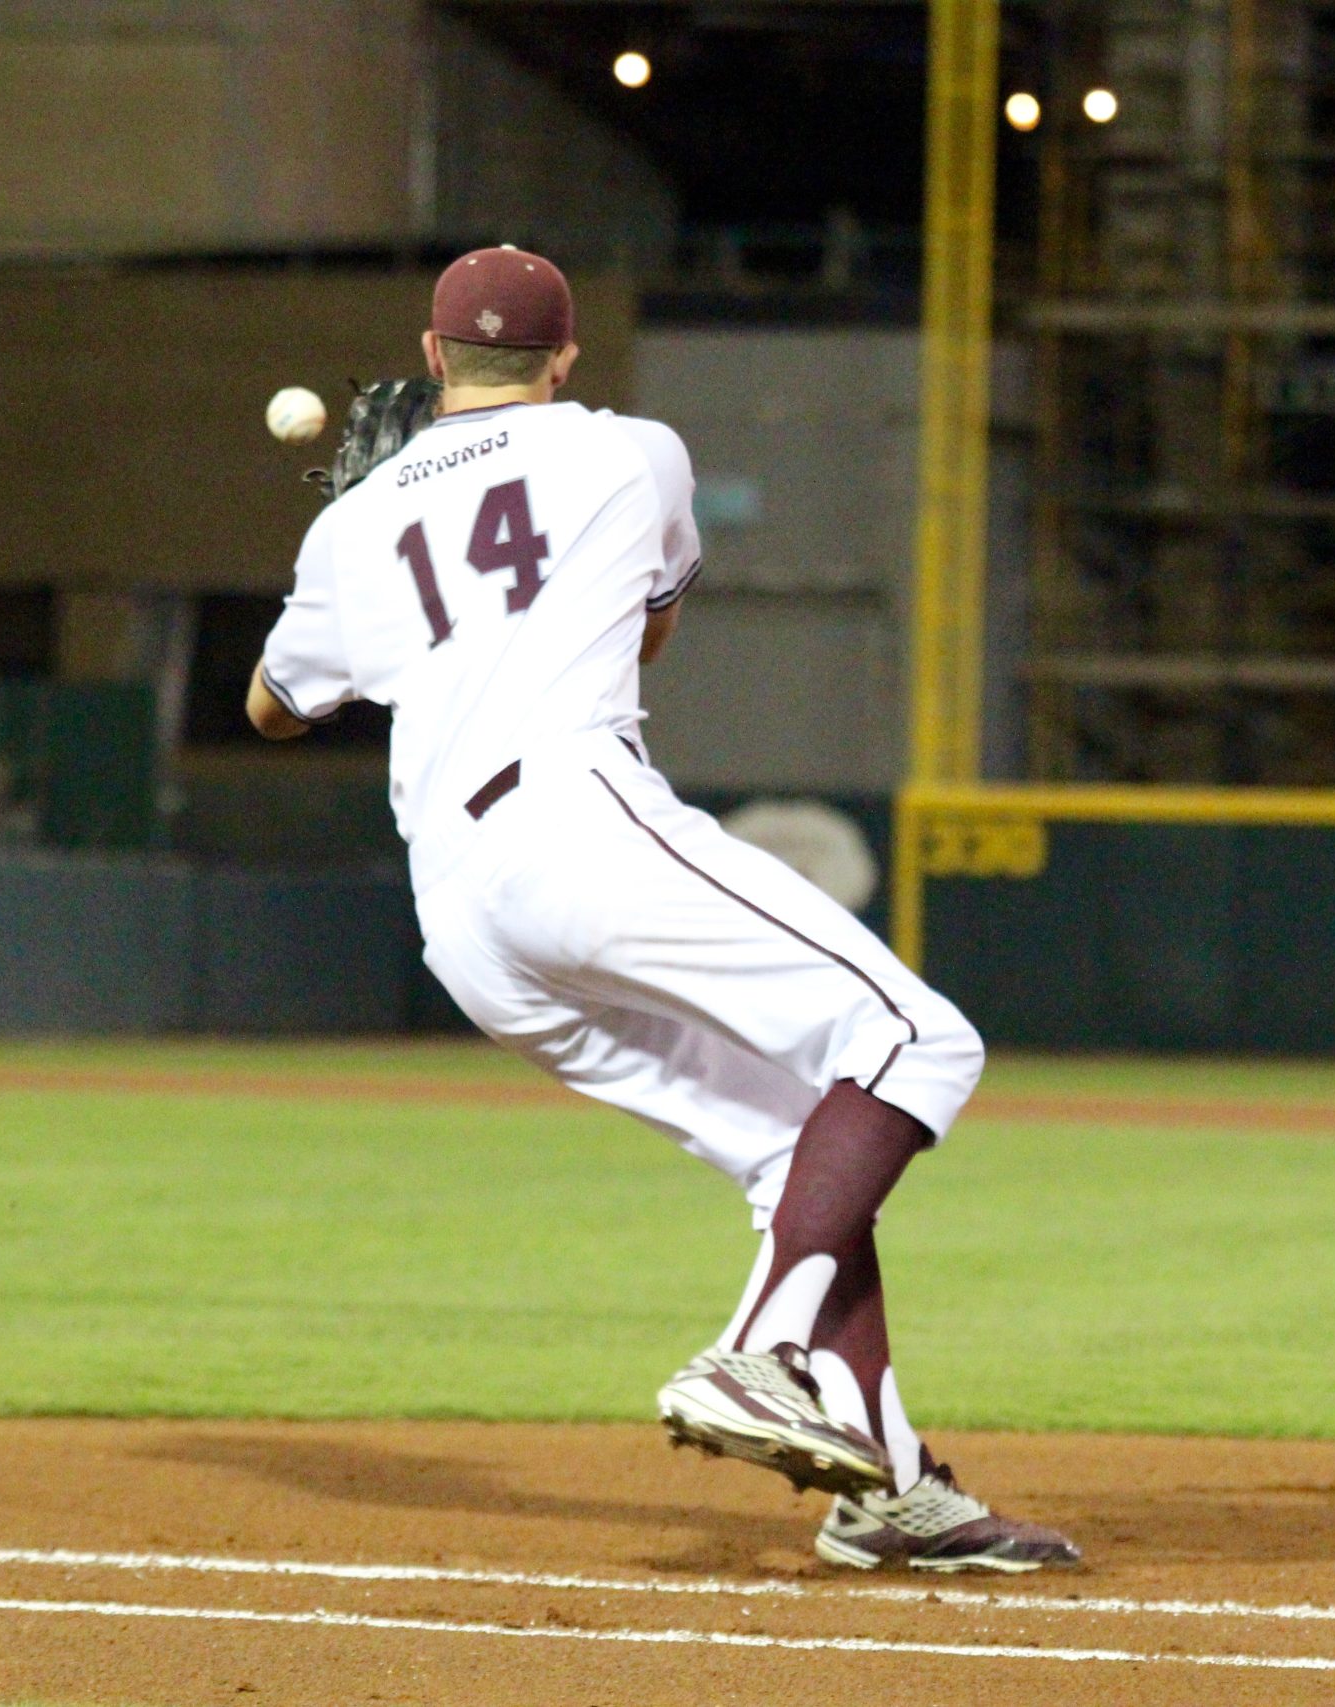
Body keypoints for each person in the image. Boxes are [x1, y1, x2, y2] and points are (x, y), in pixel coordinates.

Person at [246, 246, 1079, 1574]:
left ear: (431, 352)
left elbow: (275, 708)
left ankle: (886, 1488)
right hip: (575, 822)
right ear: (566, 356)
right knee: (923, 1042)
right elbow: (647, 635)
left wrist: (376, 524)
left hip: (460, 919)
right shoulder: (631, 453)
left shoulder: (352, 526)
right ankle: (759, 1354)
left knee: (793, 1157)